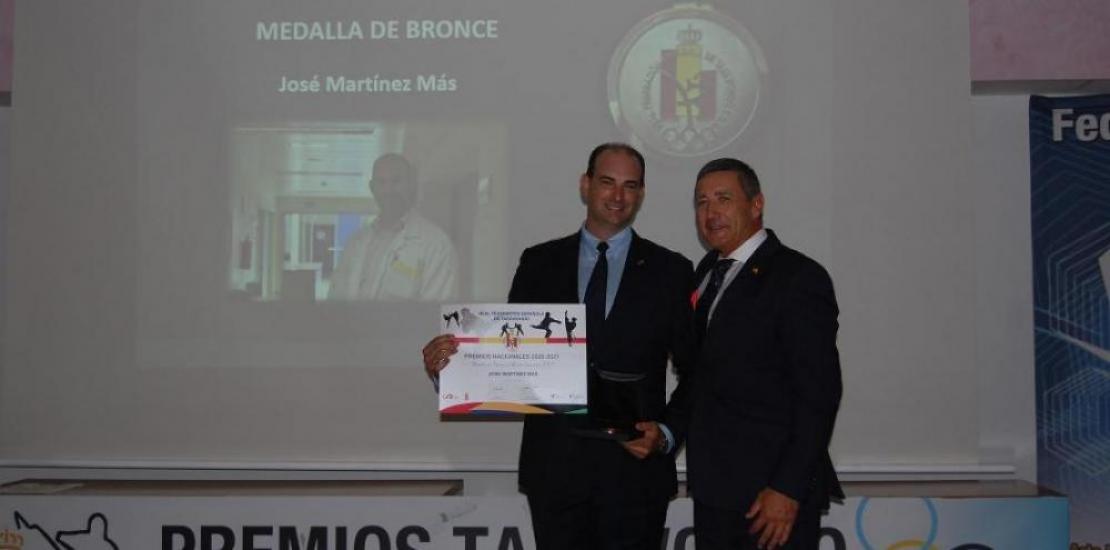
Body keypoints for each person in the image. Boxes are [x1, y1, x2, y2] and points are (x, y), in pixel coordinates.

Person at [423, 143, 695, 550]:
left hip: (634, 476)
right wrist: (451, 371)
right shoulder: (539, 263)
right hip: (555, 473)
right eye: (607, 182)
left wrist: (668, 433)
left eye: (630, 185)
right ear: (586, 186)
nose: (618, 196)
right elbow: (509, 361)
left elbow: (697, 372)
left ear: (640, 194)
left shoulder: (671, 270)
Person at [686, 158, 843, 550]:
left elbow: (819, 394)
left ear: (757, 205)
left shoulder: (798, 277)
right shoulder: (707, 271)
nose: (711, 212)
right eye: (702, 202)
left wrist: (787, 488)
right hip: (715, 492)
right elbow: (701, 375)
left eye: (723, 198)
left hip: (769, 499)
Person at [329, 153, 458, 301]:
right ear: (372, 188)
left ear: (411, 185)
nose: (388, 190)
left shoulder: (436, 245)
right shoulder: (356, 242)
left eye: (396, 181)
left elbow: (436, 311)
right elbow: (336, 297)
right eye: (381, 182)